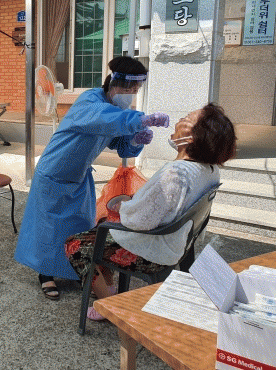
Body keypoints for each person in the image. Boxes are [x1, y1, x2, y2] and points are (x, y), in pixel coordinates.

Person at [14, 56, 170, 301]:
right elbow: (103, 118)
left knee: (80, 226)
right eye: (130, 89)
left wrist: (134, 140)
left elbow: (120, 146)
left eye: (136, 90)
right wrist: (139, 120)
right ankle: (45, 274)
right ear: (115, 84)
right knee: (48, 229)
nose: (132, 94)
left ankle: (76, 269)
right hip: (54, 173)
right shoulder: (90, 101)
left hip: (79, 174)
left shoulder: (117, 111)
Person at [65, 103, 237, 321]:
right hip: (176, 242)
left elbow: (138, 221)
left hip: (154, 250)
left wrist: (123, 207)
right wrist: (134, 202)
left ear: (194, 137)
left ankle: (111, 307)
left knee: (75, 245)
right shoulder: (210, 170)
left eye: (187, 118)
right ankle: (108, 289)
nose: (179, 121)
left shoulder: (176, 173)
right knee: (99, 227)